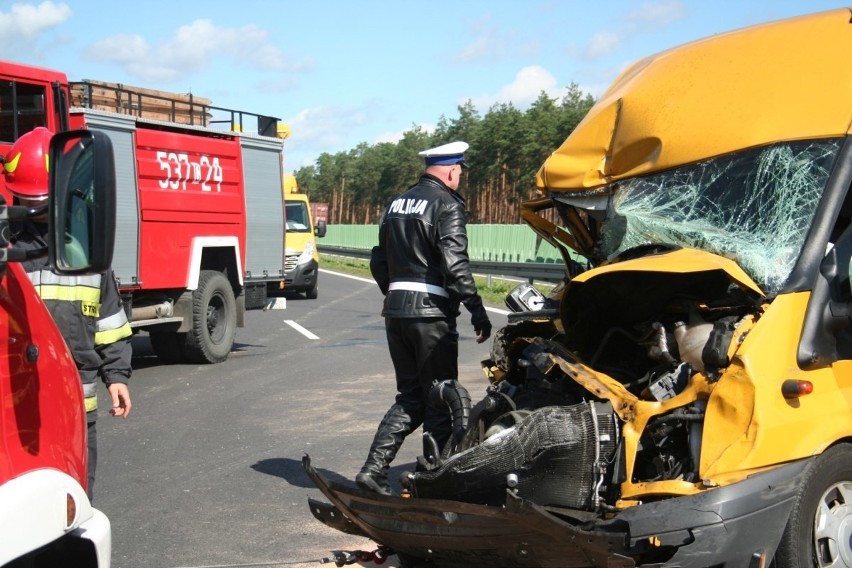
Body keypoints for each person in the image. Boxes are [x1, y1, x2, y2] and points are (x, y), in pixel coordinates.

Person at [2, 127, 133, 500]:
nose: (37, 215)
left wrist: (117, 377)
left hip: (76, 411)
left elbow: (109, 321)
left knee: (74, 504)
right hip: (16, 412)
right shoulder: (6, 250)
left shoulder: (86, 249)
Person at [357, 140, 492, 495]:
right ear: (450, 170)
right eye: (460, 170)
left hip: (397, 311)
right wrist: (477, 310)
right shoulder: (446, 204)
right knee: (440, 397)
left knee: (411, 396)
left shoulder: (397, 202)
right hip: (430, 314)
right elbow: (455, 265)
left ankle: (373, 471)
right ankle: (435, 481)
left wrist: (395, 293)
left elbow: (378, 259)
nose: (460, 176)